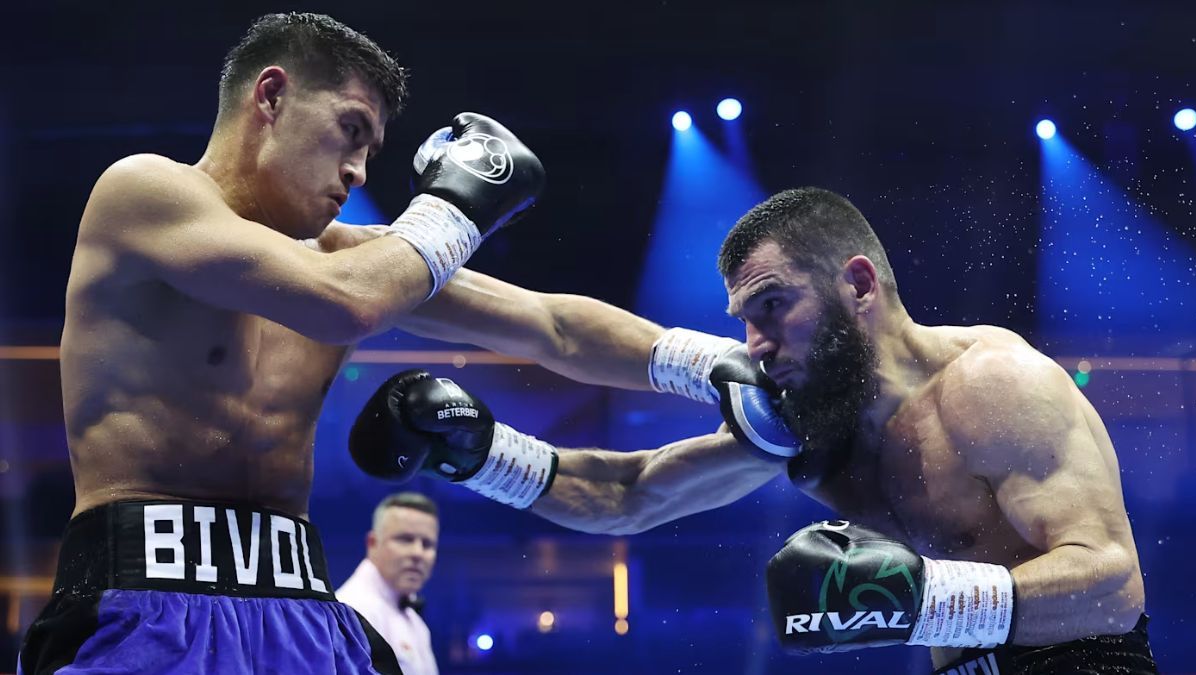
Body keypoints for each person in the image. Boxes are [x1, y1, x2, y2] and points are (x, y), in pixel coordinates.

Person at [19, 11, 776, 674]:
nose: (356, 170)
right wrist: (453, 206)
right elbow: (345, 306)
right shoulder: (142, 193)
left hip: (301, 617)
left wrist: (718, 365)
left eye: (373, 151)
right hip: (142, 612)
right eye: (350, 130)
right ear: (272, 96)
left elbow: (553, 325)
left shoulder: (350, 257)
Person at [356, 187, 1158, 674]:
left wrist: (922, 602)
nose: (756, 345)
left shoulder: (994, 384)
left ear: (857, 284)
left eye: (773, 305)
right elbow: (627, 494)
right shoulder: (812, 421)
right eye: (743, 320)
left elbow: (1114, 587)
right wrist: (485, 453)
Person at [338, 493, 441, 675]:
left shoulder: (413, 619)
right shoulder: (353, 612)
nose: (418, 553)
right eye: (405, 539)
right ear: (373, 543)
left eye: (427, 544)